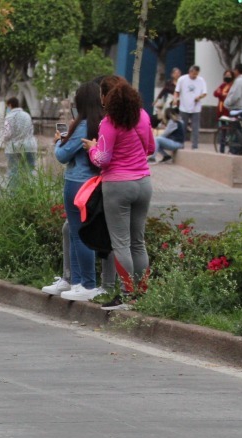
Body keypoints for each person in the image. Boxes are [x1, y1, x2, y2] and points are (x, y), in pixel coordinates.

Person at [83, 75, 155, 308]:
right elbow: (151, 148)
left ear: (107, 98)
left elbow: (103, 160)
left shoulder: (109, 123)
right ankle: (142, 294)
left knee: (121, 244)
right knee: (138, 242)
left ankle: (125, 294)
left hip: (118, 186)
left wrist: (92, 149)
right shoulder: (143, 117)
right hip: (143, 183)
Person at [45, 79, 101, 302]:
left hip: (78, 183)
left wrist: (59, 142)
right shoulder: (101, 123)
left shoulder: (84, 126)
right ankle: (77, 282)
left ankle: (86, 283)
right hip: (92, 182)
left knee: (79, 234)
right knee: (78, 233)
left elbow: (62, 155)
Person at [2, 96, 36, 187]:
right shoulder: (27, 115)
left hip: (14, 148)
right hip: (30, 146)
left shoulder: (9, 117)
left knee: (14, 172)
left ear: (10, 105)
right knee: (30, 171)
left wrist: (3, 140)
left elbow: (7, 134)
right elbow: (31, 130)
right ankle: (31, 192)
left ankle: (14, 195)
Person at [174, 65, 208, 150]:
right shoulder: (182, 79)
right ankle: (181, 143)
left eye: (196, 74)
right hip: (184, 107)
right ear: (190, 72)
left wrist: (199, 97)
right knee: (182, 126)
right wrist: (175, 99)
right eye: (193, 74)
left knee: (195, 127)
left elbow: (204, 93)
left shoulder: (201, 80)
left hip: (196, 108)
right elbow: (177, 91)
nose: (194, 76)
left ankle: (195, 145)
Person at [212, 70, 233, 152]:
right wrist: (221, 94)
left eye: (229, 75)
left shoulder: (232, 86)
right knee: (222, 130)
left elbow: (227, 96)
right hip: (221, 110)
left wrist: (221, 94)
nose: (227, 77)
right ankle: (222, 149)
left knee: (229, 130)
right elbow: (215, 93)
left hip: (228, 110)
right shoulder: (223, 85)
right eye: (226, 75)